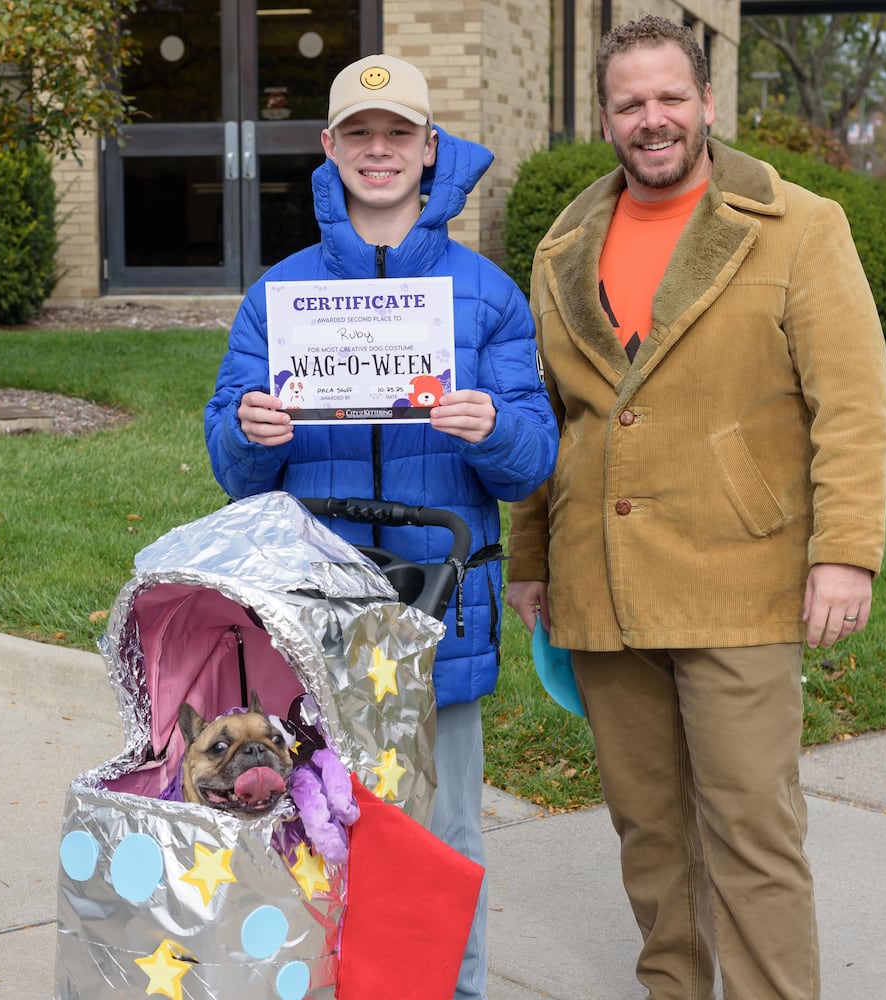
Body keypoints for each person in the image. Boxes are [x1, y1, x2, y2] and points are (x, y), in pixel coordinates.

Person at [505, 15, 886, 1000]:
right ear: (604, 117)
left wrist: (843, 551)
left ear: (708, 103)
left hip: (739, 580)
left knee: (751, 827)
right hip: (601, 588)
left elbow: (853, 402)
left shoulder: (797, 225)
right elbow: (550, 419)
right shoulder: (561, 247)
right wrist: (531, 558)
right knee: (647, 829)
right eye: (630, 102)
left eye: (670, 97)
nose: (653, 119)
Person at [205, 53, 559, 1000]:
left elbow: (534, 461)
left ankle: (456, 990)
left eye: (398, 134)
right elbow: (233, 468)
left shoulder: (485, 294)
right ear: (329, 148)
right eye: (359, 135)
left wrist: (495, 428)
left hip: (439, 614)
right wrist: (251, 431)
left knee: (443, 841)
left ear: (430, 148)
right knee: (309, 828)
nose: (379, 152)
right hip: (311, 620)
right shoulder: (278, 296)